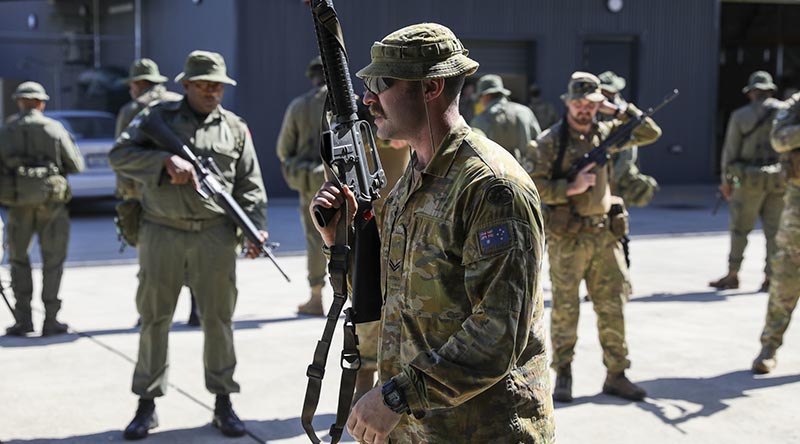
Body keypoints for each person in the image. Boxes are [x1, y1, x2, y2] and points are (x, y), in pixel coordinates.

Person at [311, 23, 554, 443]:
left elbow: (498, 334)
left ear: (431, 87)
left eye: (381, 84)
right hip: (421, 426)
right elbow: (397, 297)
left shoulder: (491, 187)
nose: (368, 98)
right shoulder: (415, 176)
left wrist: (394, 397)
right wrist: (341, 246)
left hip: (483, 430)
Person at [110, 50, 268, 440]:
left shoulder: (234, 127)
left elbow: (249, 185)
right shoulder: (156, 119)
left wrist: (255, 229)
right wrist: (164, 161)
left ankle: (223, 401)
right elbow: (120, 155)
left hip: (215, 235)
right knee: (154, 319)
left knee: (219, 321)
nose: (212, 91)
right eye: (203, 84)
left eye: (217, 85)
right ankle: (146, 404)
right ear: (185, 86)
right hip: (161, 231)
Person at [529, 71, 662, 403]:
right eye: (578, 103)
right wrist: (568, 188)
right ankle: (564, 373)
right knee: (565, 308)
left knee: (612, 305)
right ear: (568, 103)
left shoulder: (607, 133)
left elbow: (650, 131)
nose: (583, 109)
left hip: (604, 235)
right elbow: (531, 185)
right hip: (568, 237)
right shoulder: (550, 142)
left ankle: (616, 374)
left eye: (590, 104)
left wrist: (616, 109)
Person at [115, 58, 199, 326]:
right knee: (194, 254)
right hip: (191, 189)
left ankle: (148, 313)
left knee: (151, 258)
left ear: (138, 84)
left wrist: (126, 195)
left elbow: (123, 158)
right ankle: (197, 311)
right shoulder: (180, 102)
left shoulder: (132, 110)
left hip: (146, 194)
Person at [0, 81, 85, 337]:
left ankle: (23, 320)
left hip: (18, 204)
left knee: (18, 260)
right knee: (53, 261)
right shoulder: (54, 128)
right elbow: (76, 165)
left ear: (19, 101)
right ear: (41, 103)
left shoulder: (6, 130)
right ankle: (50, 319)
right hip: (51, 205)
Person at [710, 71, 786, 292]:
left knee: (740, 230)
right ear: (770, 90)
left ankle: (733, 275)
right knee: (775, 232)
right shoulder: (785, 113)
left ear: (752, 93)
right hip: (778, 179)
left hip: (748, 181)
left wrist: (726, 181)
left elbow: (730, 151)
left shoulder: (741, 116)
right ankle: (770, 278)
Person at [751, 89, 800, 374]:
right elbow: (778, 139)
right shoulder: (795, 105)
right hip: (797, 206)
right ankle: (769, 346)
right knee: (786, 279)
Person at [276, 56, 328, 316]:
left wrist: (307, 171)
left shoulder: (300, 106)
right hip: (350, 182)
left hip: (313, 186)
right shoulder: (352, 103)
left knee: (315, 240)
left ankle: (316, 297)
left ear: (312, 77)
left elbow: (284, 150)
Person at [598, 71, 659, 208]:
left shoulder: (624, 111)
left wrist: (626, 113)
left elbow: (630, 153)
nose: (610, 96)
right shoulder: (593, 112)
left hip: (619, 176)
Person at [470, 74, 541, 162]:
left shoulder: (480, 121)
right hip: (527, 172)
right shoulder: (525, 112)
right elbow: (539, 144)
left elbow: (475, 155)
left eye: (479, 98)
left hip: (496, 174)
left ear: (486, 96)